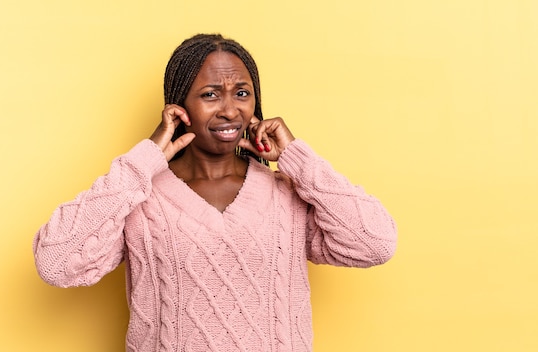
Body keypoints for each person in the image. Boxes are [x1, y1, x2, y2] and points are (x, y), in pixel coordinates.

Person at [33, 33, 397, 351]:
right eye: (210, 94)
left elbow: (375, 242)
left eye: (242, 93)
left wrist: (294, 157)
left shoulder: (286, 194)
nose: (230, 110)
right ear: (179, 108)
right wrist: (142, 162)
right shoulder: (141, 199)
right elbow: (56, 263)